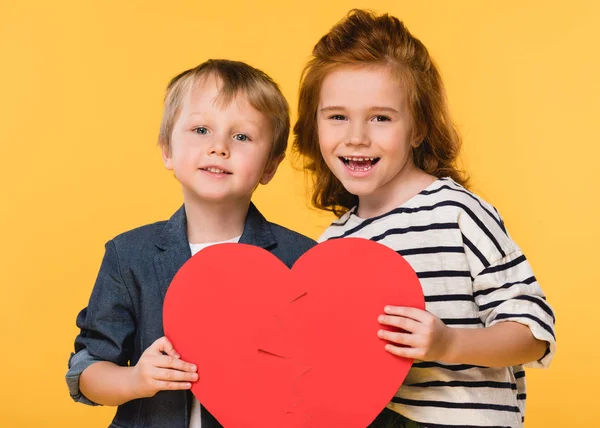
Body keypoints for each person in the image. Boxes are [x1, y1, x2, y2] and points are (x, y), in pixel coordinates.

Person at [293, 9, 556, 428]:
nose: (356, 136)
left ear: (418, 129)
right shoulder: (331, 247)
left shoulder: (458, 214)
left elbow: (534, 334)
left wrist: (449, 342)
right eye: (337, 116)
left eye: (381, 117)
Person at [66, 59, 316, 428]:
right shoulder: (128, 255)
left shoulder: (302, 259)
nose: (219, 147)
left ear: (270, 166)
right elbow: (87, 372)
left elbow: (319, 377)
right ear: (167, 150)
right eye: (201, 129)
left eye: (242, 136)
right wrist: (135, 380)